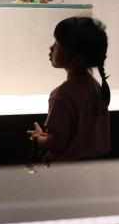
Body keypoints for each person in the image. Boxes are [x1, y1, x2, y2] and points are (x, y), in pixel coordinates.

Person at [27, 16, 111, 162]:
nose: (51, 48)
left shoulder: (62, 95)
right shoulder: (95, 86)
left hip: (69, 171)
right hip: (95, 169)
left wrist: (37, 138)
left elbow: (56, 144)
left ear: (78, 58)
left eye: (57, 45)